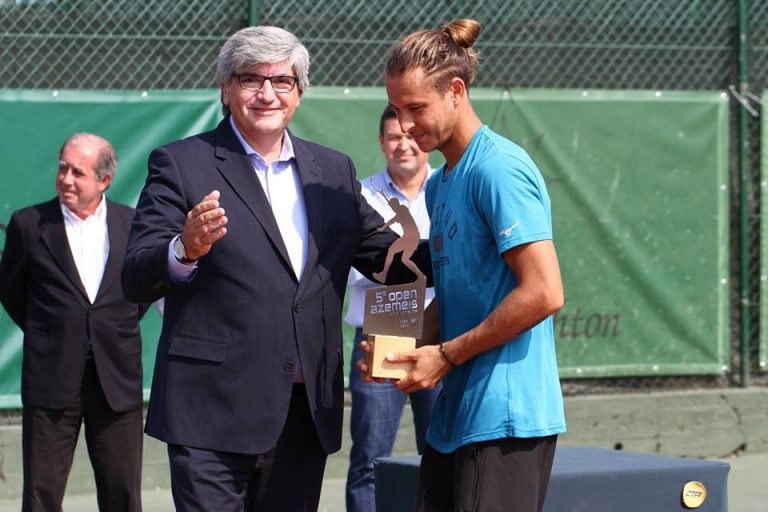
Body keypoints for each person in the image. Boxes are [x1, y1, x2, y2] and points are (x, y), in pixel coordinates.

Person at [121, 26, 429, 511]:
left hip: (303, 413)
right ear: (226, 88)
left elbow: (394, 260)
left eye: (282, 81)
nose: (267, 94)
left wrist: (471, 241)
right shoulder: (181, 163)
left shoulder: (333, 170)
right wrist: (184, 248)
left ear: (299, 93)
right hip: (210, 413)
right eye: (250, 80)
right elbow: (136, 273)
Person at [366, 18, 567, 512]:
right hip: (456, 418)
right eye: (396, 110)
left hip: (506, 419)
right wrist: (405, 346)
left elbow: (544, 292)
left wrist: (447, 356)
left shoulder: (499, 167)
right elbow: (460, 296)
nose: (406, 126)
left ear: (456, 91)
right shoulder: (439, 184)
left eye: (416, 108)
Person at [0, 133, 148, 512]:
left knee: (123, 494)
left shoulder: (132, 225)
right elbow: (13, 293)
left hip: (115, 381)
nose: (65, 178)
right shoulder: (29, 224)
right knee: (41, 496)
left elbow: (139, 294)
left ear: (104, 180)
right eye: (62, 168)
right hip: (51, 381)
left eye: (77, 172)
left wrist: (105, 330)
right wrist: (50, 332)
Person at [345, 106, 441, 512]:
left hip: (439, 335)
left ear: (425, 139)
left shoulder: (448, 187)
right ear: (382, 144)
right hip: (379, 335)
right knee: (370, 458)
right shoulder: (361, 195)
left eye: (409, 135)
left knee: (439, 453)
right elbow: (351, 269)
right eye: (393, 137)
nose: (403, 145)